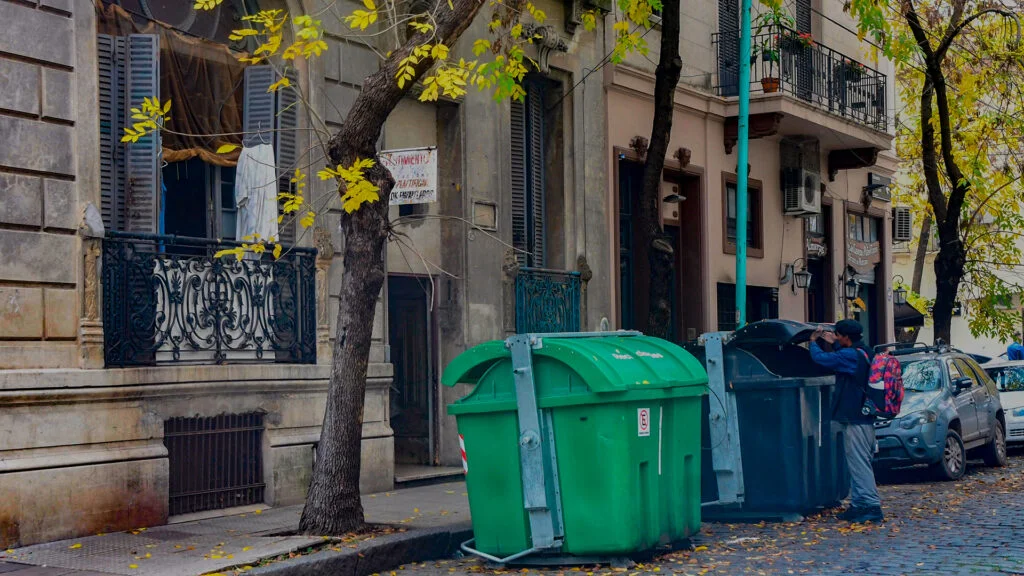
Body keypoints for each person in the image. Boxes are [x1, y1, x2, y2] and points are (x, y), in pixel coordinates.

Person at [809, 319, 883, 524]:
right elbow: (845, 356)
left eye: (838, 335)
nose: (836, 337)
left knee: (859, 463)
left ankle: (870, 505)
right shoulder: (865, 351)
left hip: (855, 417)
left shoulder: (849, 355)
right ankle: (859, 505)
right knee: (859, 461)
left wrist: (813, 342)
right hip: (865, 416)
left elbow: (823, 360)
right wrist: (834, 342)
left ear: (846, 337)